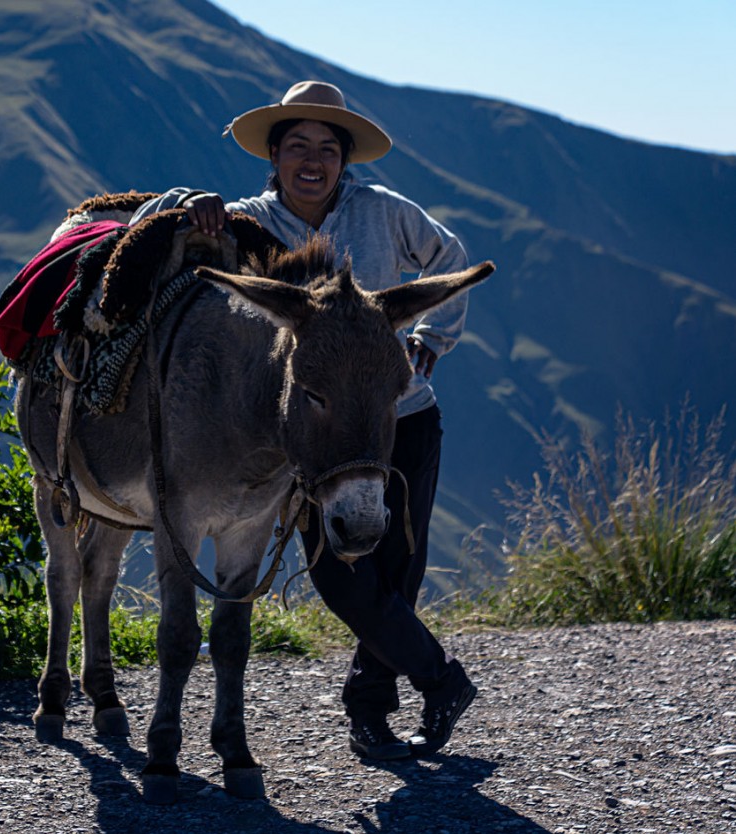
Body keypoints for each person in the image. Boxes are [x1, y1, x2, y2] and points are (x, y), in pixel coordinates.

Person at [130, 80, 478, 760]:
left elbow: (452, 261)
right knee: (340, 573)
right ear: (275, 157)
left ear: (345, 161)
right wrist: (181, 204)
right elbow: (151, 223)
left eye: (327, 147)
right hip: (312, 435)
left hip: (400, 419)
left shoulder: (385, 212)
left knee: (397, 571)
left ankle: (371, 713)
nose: (312, 160)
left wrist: (429, 340)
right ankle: (440, 681)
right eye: (298, 147)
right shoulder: (243, 220)